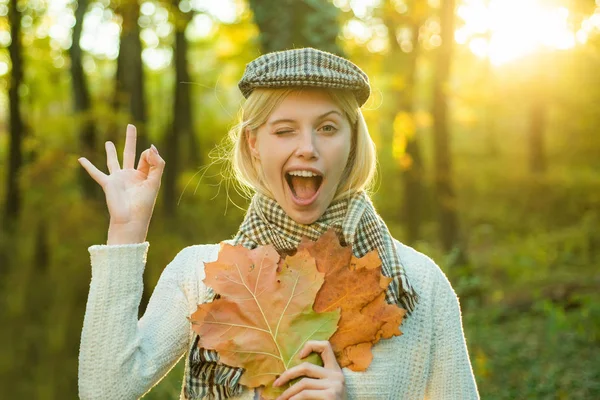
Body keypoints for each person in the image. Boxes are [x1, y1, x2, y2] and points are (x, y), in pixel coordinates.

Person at [77, 47, 480, 400]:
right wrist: (126, 231)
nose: (308, 148)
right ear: (254, 143)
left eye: (327, 128)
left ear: (353, 141)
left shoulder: (417, 285)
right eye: (285, 130)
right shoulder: (201, 276)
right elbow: (104, 391)